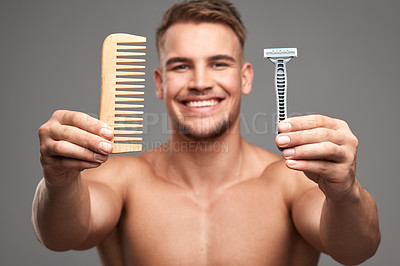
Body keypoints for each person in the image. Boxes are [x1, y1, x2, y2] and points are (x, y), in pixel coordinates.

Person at [32, 0, 380, 265]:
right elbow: (62, 236)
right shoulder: (124, 180)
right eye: (181, 66)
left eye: (218, 63)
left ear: (245, 77)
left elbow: (357, 248)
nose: (200, 83)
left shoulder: (289, 183)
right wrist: (58, 181)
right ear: (159, 83)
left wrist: (346, 191)